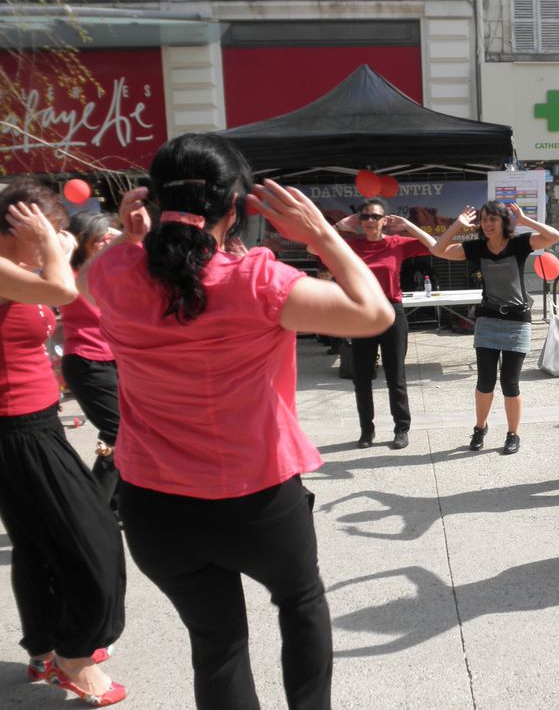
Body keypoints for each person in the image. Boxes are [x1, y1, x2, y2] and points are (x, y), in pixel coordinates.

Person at [78, 132, 394, 710]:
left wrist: (128, 239)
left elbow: (84, 286)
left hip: (155, 509)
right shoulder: (258, 282)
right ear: (236, 207)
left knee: (216, 644)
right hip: (258, 502)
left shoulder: (114, 271)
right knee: (300, 604)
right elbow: (374, 314)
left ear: (151, 199)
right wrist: (323, 234)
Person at [0, 179, 127, 706]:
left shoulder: (24, 270)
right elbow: (64, 291)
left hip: (32, 421)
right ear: (17, 224)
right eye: (47, 229)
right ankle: (76, 655)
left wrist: (118, 240)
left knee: (37, 546)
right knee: (94, 538)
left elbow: (77, 288)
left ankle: (46, 648)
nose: (58, 238)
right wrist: (55, 245)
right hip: (15, 428)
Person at [433, 201, 559, 454]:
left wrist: (525, 220)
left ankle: (513, 434)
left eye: (493, 219)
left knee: (510, 383)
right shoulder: (477, 248)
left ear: (504, 221)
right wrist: (458, 225)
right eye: (483, 219)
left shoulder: (519, 244)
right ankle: (480, 428)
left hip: (517, 321)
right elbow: (438, 250)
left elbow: (553, 236)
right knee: (485, 381)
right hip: (487, 321)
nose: (487, 224)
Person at [334, 200, 437, 449]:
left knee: (395, 376)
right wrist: (340, 226)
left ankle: (401, 429)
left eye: (375, 216)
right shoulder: (351, 245)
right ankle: (366, 431)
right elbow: (314, 249)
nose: (370, 220)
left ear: (384, 220)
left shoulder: (396, 244)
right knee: (361, 377)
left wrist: (408, 225)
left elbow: (435, 247)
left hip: (392, 312)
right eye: (365, 216)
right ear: (359, 220)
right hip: (364, 313)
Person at [60, 211, 122, 508]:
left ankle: (114, 501)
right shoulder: (69, 277)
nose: (107, 241)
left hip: (117, 361)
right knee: (117, 432)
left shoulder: (111, 271)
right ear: (83, 241)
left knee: (129, 431)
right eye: (101, 238)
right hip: (88, 362)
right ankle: (94, 505)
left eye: (109, 236)